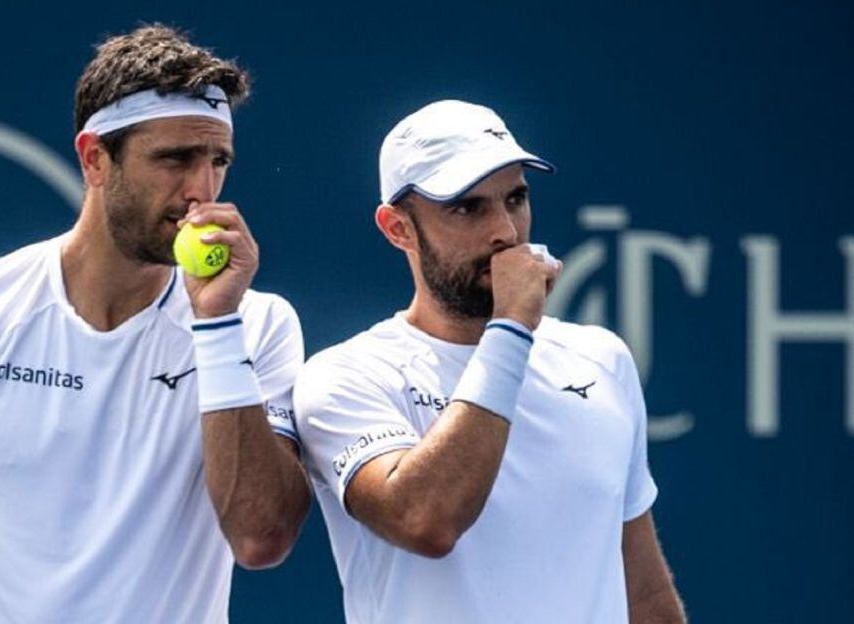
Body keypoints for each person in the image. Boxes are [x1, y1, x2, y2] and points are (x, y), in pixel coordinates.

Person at [0, 25, 310, 623]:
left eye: (217, 161)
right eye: (175, 159)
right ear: (94, 158)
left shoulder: (254, 326)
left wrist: (215, 327)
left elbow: (262, 539)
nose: (200, 192)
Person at [293, 100, 685, 623]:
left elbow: (647, 601)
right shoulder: (347, 376)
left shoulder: (601, 359)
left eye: (516, 198)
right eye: (467, 208)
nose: (504, 230)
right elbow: (426, 521)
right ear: (397, 228)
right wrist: (510, 329)